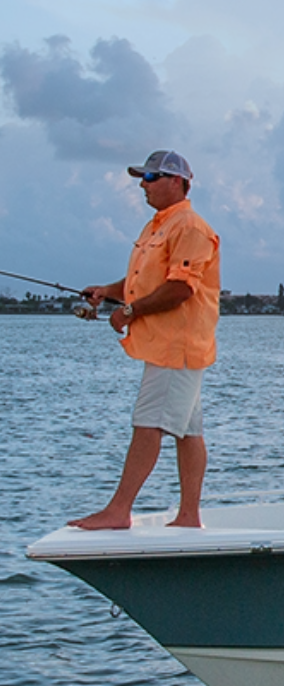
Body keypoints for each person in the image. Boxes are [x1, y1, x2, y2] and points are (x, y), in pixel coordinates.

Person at [69, 151, 220, 530]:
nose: (143, 184)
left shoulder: (190, 227)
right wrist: (108, 291)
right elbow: (145, 283)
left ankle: (119, 511)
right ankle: (189, 517)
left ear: (177, 182)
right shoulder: (157, 227)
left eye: (151, 177)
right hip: (168, 347)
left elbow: (180, 290)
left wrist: (130, 312)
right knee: (189, 431)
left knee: (148, 424)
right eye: (142, 177)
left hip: (178, 346)